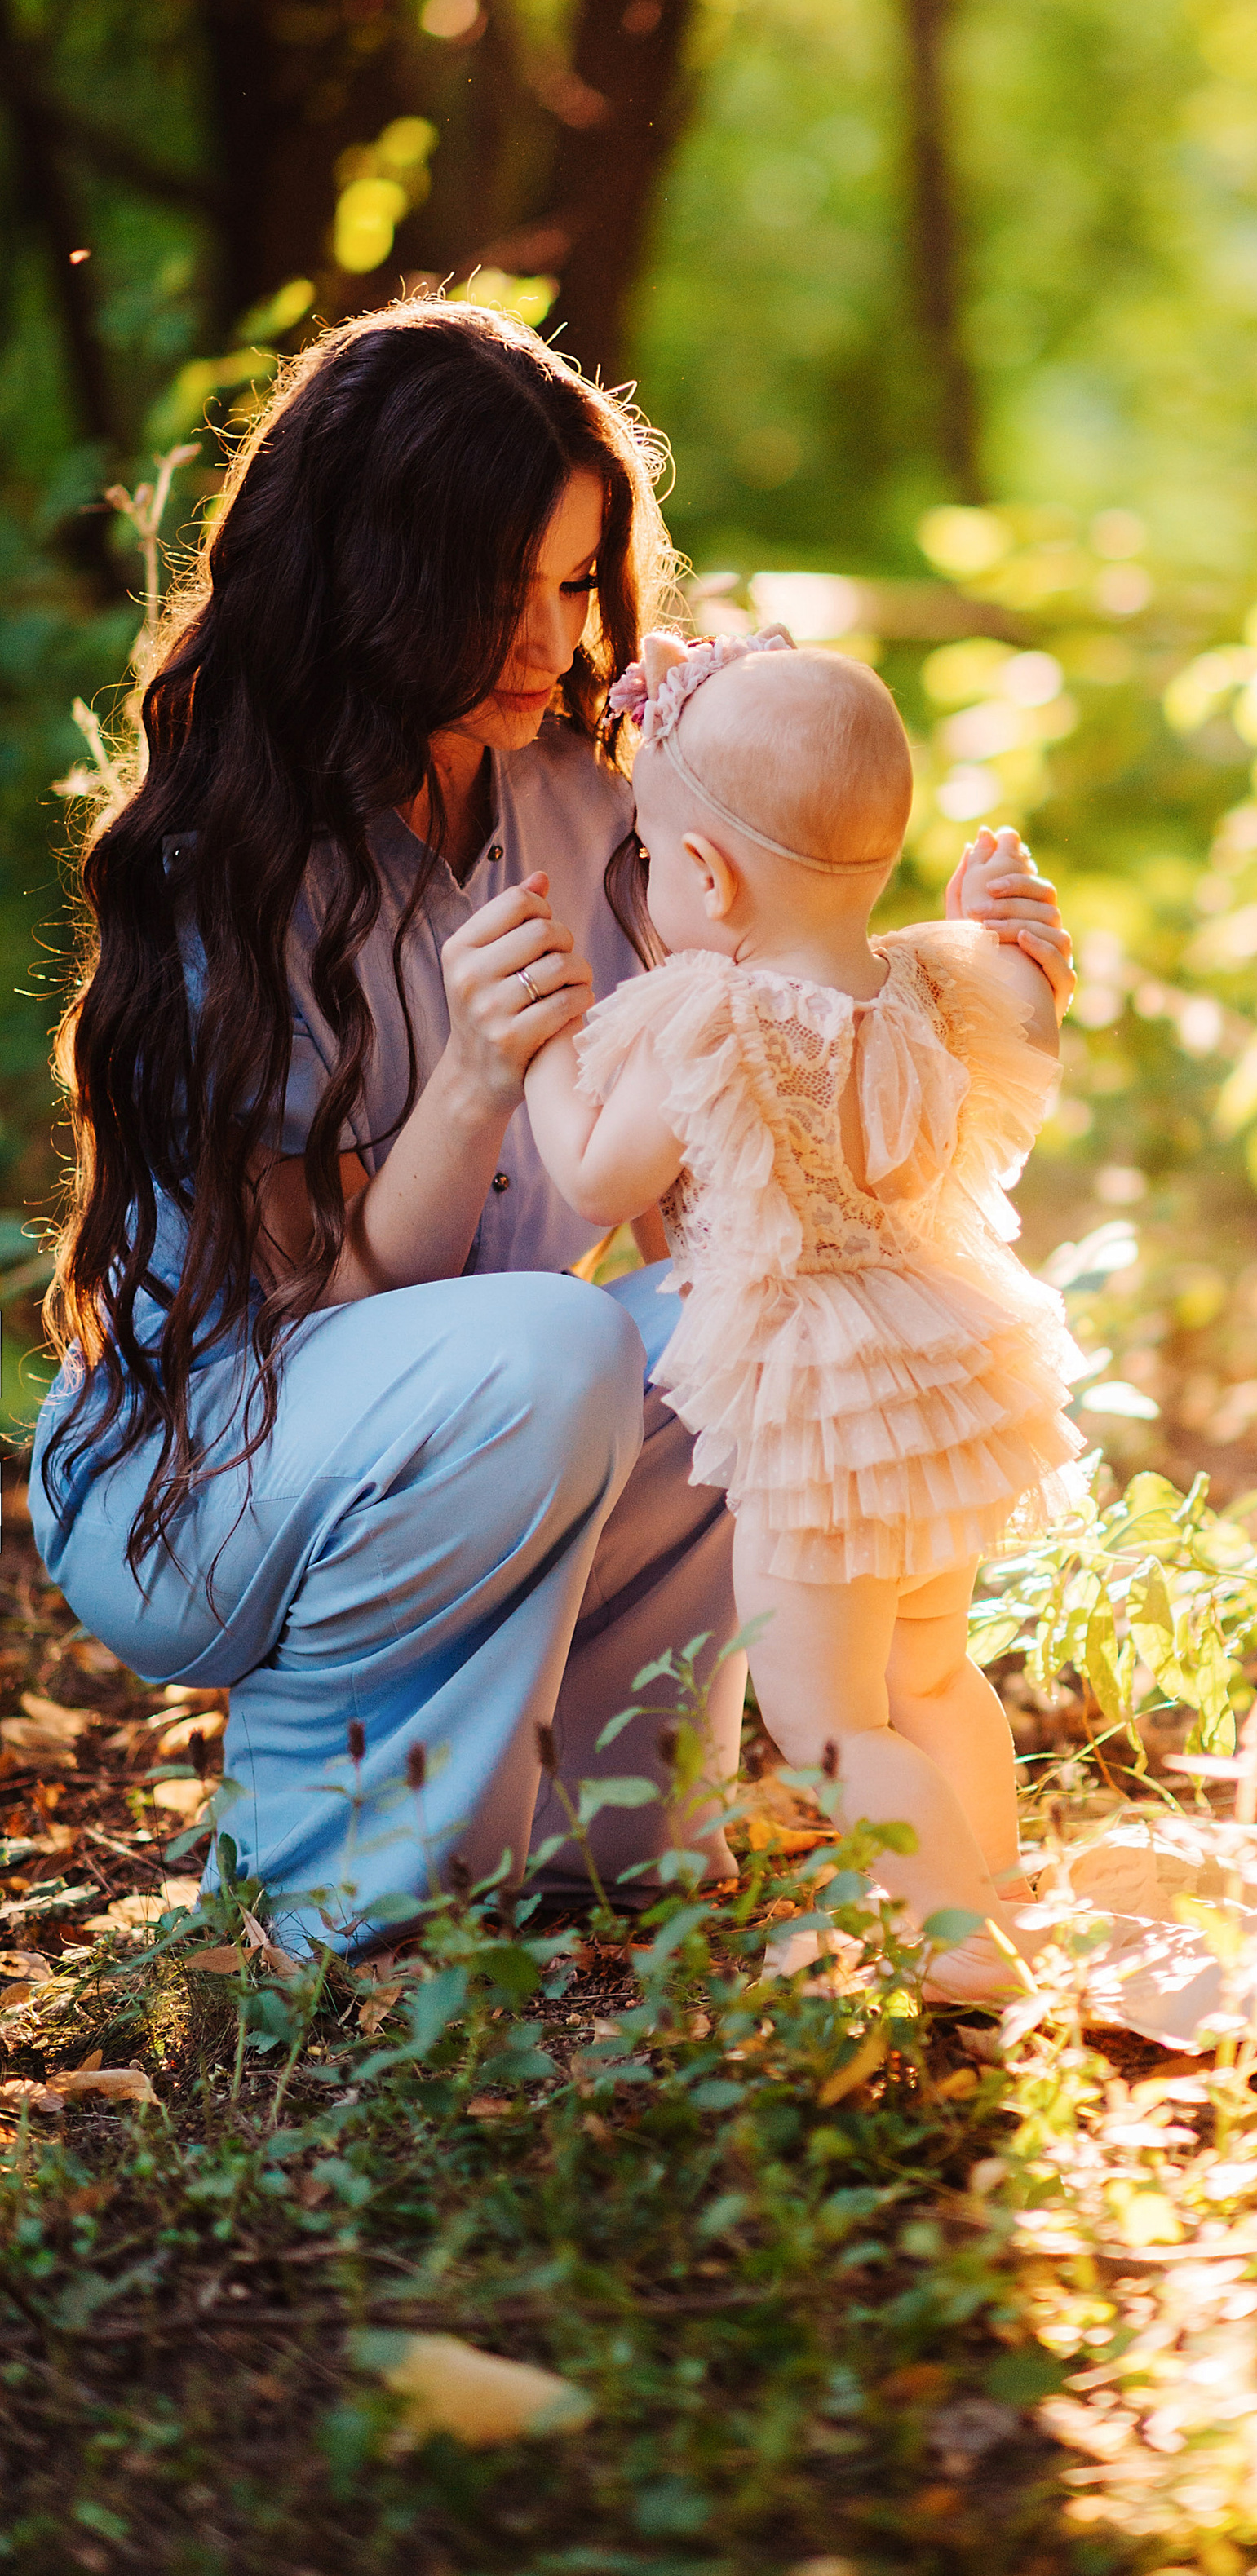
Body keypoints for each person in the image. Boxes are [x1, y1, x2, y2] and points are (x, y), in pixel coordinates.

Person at [33, 301, 743, 1945]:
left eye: (572, 584)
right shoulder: (235, 845)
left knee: (745, 1323)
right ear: (368, 576)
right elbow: (326, 1310)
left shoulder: (592, 799)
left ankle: (603, 1832)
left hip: (457, 1409)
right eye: (495, 592)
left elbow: (685, 1212)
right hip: (200, 1474)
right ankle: (321, 1866)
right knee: (542, 1351)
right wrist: (482, 1077)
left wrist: (838, 948)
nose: (550, 639)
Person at [524, 625, 1082, 1999]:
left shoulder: (705, 1014)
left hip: (814, 1404)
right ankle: (996, 1890)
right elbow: (1035, 1011)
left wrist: (535, 1058)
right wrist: (1001, 921)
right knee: (934, 1676)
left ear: (702, 874)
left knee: (828, 1719)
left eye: (648, 854)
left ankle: (963, 1951)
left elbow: (598, 1175)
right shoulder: (931, 981)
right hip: (940, 1378)